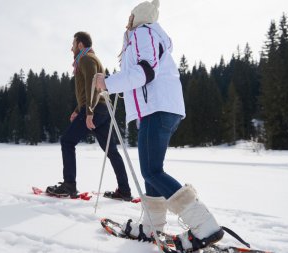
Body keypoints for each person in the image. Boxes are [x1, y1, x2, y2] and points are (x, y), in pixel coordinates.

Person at [94, 0, 224, 251]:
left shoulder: (144, 32)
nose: (127, 21)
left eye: (130, 16)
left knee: (152, 171)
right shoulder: (141, 36)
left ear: (138, 17)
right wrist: (118, 84)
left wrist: (109, 83)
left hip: (158, 109)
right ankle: (153, 226)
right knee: (151, 171)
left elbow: (145, 72)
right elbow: (142, 74)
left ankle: (205, 226)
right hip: (155, 109)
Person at [46, 32, 132, 201]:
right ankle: (125, 190)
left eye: (73, 44)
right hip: (101, 109)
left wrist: (89, 112)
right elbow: (89, 89)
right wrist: (78, 110)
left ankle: (69, 185)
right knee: (112, 151)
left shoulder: (86, 59)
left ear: (80, 45)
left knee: (67, 141)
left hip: (95, 109)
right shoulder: (90, 59)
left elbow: (92, 85)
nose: (71, 48)